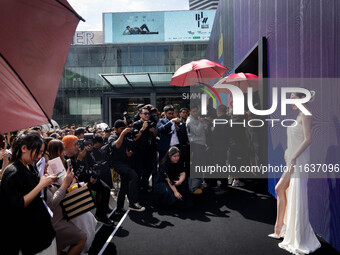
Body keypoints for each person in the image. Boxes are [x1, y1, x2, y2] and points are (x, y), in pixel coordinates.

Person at [268, 91, 321, 254]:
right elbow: (296, 138)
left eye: (291, 98)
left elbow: (308, 139)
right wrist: (287, 150)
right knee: (280, 189)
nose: (289, 101)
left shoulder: (306, 114)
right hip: (293, 159)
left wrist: (294, 156)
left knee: (282, 189)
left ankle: (288, 231)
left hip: (299, 161)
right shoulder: (300, 114)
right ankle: (280, 229)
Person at [0, 130, 57, 254]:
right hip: (30, 238)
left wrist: (44, 180)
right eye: (37, 152)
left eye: (41, 153)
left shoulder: (29, 166)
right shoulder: (13, 172)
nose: (39, 157)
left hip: (41, 231)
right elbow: (17, 205)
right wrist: (41, 184)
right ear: (24, 148)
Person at [46, 139, 96, 255]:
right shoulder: (53, 165)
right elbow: (61, 186)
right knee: (85, 223)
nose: (64, 152)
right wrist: (69, 181)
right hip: (61, 206)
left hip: (65, 201)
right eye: (61, 149)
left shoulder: (63, 162)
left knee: (88, 219)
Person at [108, 120, 145, 212]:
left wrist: (129, 152)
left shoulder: (126, 136)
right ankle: (133, 203)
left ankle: (119, 208)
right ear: (115, 129)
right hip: (118, 164)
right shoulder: (112, 137)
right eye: (121, 129)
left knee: (124, 186)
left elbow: (131, 144)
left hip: (127, 163)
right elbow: (115, 146)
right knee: (134, 176)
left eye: (124, 128)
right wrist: (123, 134)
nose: (123, 130)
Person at [132, 106, 157, 192]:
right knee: (139, 171)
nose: (147, 115)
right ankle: (138, 189)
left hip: (149, 151)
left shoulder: (151, 123)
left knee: (148, 170)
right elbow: (134, 138)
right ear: (140, 114)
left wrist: (153, 132)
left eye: (148, 114)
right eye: (145, 113)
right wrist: (142, 128)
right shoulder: (136, 124)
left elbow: (155, 136)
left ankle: (145, 186)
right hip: (139, 152)